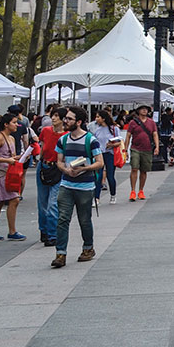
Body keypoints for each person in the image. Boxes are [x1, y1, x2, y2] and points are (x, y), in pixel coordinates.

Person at [51, 107, 104, 268]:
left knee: (84, 219)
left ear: (79, 122)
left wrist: (84, 168)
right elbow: (59, 161)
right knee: (62, 218)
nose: (65, 121)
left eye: (69, 119)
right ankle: (61, 254)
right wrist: (65, 169)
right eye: (65, 118)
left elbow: (99, 162)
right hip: (66, 184)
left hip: (85, 186)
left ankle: (88, 248)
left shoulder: (90, 140)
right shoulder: (63, 140)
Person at [0, 112, 25, 241]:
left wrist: (17, 158)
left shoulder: (11, 138)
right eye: (14, 122)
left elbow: (10, 155)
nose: (16, 125)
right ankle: (12, 231)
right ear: (6, 124)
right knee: (14, 199)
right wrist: (8, 160)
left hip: (8, 171)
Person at [35, 107, 67, 246]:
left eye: (57, 116)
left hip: (58, 168)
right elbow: (43, 147)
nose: (53, 118)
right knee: (42, 202)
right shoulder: (46, 131)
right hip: (43, 166)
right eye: (53, 115)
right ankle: (44, 231)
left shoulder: (66, 136)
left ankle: (53, 233)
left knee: (52, 203)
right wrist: (39, 160)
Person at [125, 105, 158, 201]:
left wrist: (157, 147)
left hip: (147, 149)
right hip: (135, 148)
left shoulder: (151, 122)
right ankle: (133, 191)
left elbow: (155, 134)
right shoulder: (133, 122)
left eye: (146, 109)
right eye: (142, 109)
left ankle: (141, 190)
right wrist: (125, 149)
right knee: (134, 168)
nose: (144, 110)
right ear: (138, 111)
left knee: (144, 170)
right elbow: (128, 136)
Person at [90, 109, 123, 204]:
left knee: (110, 175)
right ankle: (96, 198)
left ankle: (113, 195)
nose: (96, 119)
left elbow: (119, 141)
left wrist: (112, 145)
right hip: (99, 154)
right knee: (98, 176)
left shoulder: (114, 129)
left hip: (110, 153)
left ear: (103, 118)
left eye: (98, 117)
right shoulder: (97, 129)